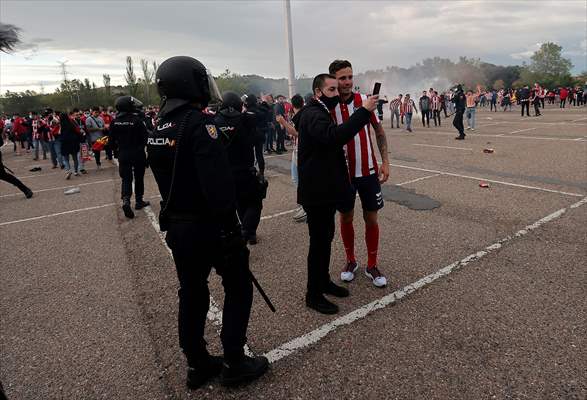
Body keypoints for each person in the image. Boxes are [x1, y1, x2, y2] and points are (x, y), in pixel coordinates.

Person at [147, 56, 268, 388]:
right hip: (209, 225)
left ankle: (197, 363)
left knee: (192, 293)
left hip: (179, 227)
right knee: (239, 287)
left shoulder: (158, 128)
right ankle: (234, 361)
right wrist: (232, 230)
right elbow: (219, 188)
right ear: (191, 83)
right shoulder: (201, 125)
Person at [297, 72, 379, 314]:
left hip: (324, 191)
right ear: (318, 92)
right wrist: (363, 112)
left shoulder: (317, 111)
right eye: (331, 90)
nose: (336, 93)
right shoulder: (314, 113)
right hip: (316, 193)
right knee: (319, 244)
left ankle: (323, 282)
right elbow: (333, 138)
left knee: (325, 240)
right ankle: (313, 294)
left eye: (337, 89)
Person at [328, 60, 389, 289]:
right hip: (343, 175)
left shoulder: (363, 102)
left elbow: (379, 132)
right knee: (346, 217)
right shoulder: (328, 106)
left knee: (371, 218)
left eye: (350, 77)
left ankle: (371, 264)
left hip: (368, 172)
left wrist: (386, 162)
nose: (347, 82)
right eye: (342, 78)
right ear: (334, 79)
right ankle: (350, 261)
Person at [215, 91, 265, 244]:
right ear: (239, 104)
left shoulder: (214, 121)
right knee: (255, 202)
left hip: (225, 172)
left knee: (239, 202)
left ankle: (250, 234)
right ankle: (246, 232)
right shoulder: (246, 120)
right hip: (245, 170)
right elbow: (258, 139)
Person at [110, 96, 150, 219]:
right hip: (137, 154)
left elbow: (111, 141)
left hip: (123, 154)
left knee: (126, 179)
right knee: (139, 178)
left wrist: (116, 152)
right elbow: (146, 138)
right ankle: (139, 201)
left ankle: (126, 201)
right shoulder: (137, 120)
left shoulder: (114, 122)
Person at [276, 94, 306, 222]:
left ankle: (306, 206)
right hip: (296, 150)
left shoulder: (304, 115)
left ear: (292, 105)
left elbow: (296, 133)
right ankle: (303, 204)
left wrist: (283, 122)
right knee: (296, 178)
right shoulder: (296, 115)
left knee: (300, 179)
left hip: (302, 151)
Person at [242, 94, 266, 180]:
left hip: (250, 135)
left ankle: (251, 170)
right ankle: (262, 172)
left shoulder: (246, 112)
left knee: (250, 153)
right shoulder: (260, 110)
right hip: (259, 135)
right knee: (259, 154)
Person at [59, 111, 81, 179]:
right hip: (73, 142)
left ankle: (68, 170)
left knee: (66, 158)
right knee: (75, 158)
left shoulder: (61, 124)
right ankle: (76, 171)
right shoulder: (72, 123)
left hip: (65, 143)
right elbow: (77, 131)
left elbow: (59, 133)